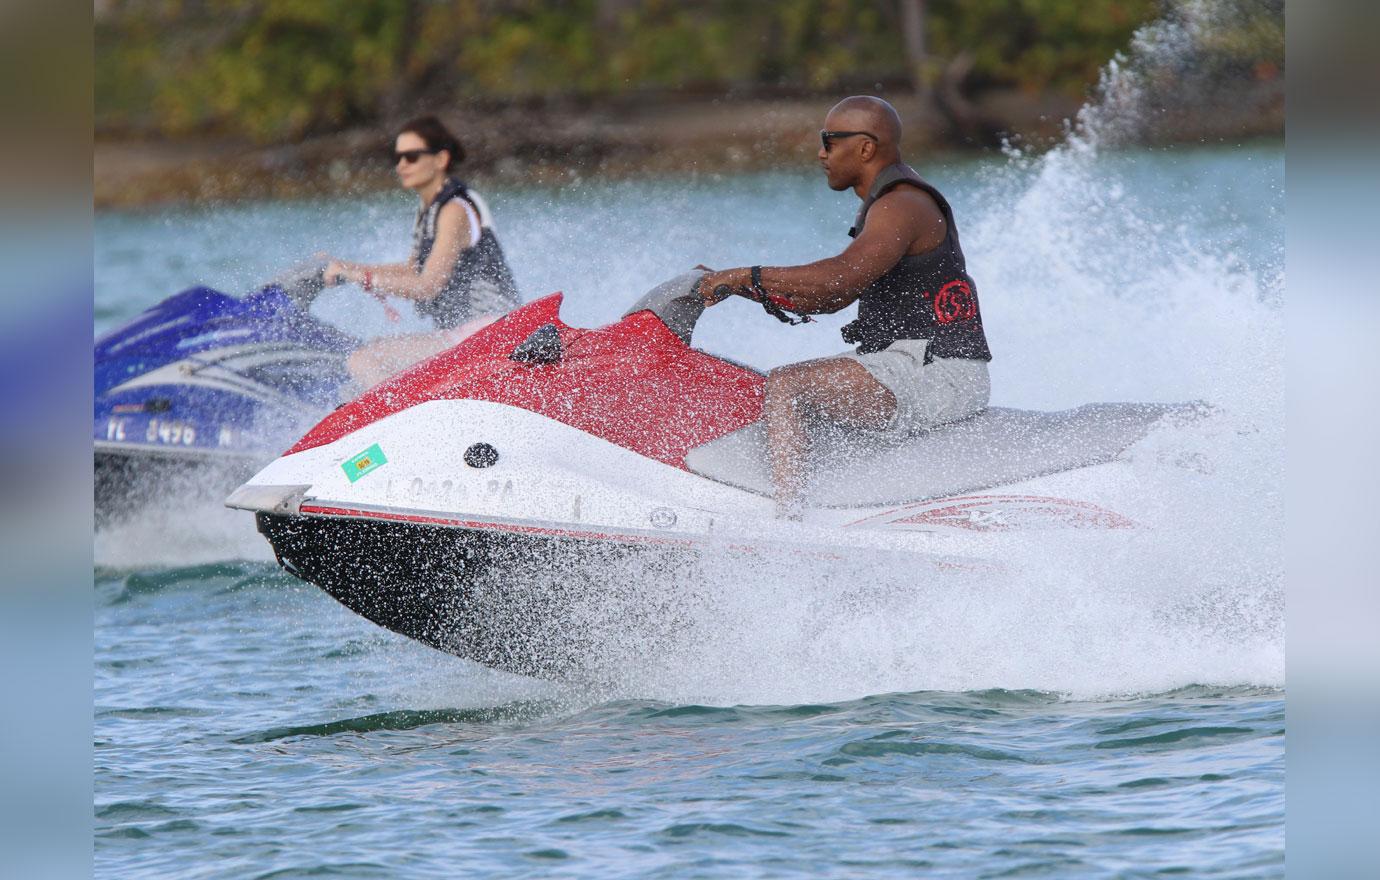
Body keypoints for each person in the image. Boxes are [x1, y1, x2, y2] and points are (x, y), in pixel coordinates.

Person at [695, 95, 992, 516]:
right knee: (788, 389)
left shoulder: (902, 204)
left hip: (939, 371)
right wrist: (738, 288)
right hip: (905, 362)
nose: (821, 153)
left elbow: (840, 276)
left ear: (866, 147)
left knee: (788, 386)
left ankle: (788, 523)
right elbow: (834, 298)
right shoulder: (884, 203)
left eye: (829, 141)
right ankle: (834, 509)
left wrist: (748, 275)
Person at [323, 115, 521, 388]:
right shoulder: (430, 209)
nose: (402, 165)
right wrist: (347, 267)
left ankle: (403, 427)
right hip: (467, 335)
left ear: (441, 159)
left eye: (412, 156)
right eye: (398, 158)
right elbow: (413, 270)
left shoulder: (454, 210)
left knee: (365, 360)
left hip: (493, 335)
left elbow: (428, 285)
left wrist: (362, 279)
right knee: (374, 351)